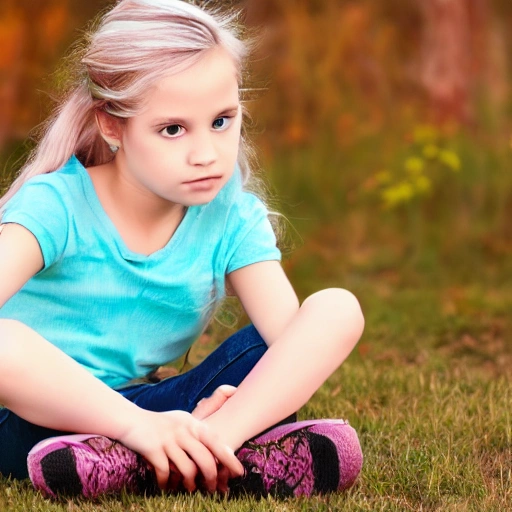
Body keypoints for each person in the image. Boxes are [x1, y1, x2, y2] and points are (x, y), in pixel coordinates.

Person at [0, 0, 365, 500]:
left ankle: (202, 448)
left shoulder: (230, 215)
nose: (207, 154)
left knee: (334, 311)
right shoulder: (57, 206)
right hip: (28, 415)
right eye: (173, 129)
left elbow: (287, 344)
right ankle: (203, 460)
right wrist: (137, 426)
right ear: (112, 125)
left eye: (222, 121)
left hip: (153, 408)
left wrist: (227, 421)